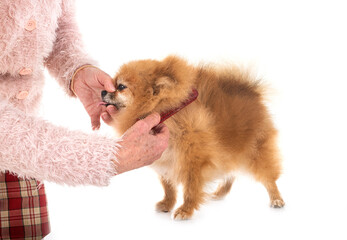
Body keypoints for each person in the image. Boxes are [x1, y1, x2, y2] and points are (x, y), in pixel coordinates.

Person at [0, 0, 169, 239]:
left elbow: (60, 29)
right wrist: (110, 157)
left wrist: (77, 70)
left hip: (23, 154)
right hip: (16, 142)